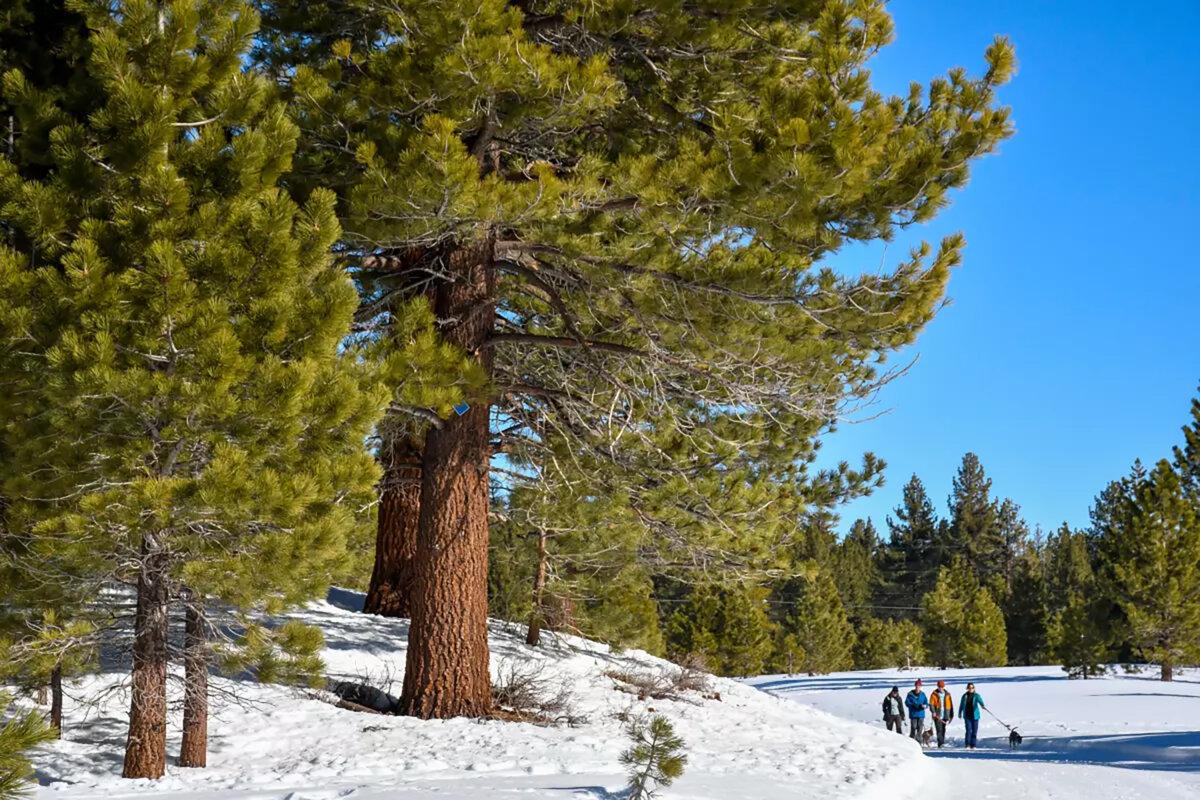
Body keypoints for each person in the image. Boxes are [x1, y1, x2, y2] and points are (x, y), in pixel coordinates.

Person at [959, 682, 986, 749]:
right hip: (967, 715)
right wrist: (960, 712)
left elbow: (980, 701)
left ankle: (973, 745)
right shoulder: (964, 696)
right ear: (967, 688)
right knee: (968, 730)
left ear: (974, 688)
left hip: (975, 716)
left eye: (972, 687)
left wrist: (982, 705)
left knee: (974, 731)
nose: (971, 689)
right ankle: (967, 744)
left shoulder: (976, 695)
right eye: (969, 688)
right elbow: (961, 705)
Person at [929, 679, 954, 748]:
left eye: (942, 686)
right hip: (937, 715)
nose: (940, 688)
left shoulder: (948, 694)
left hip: (945, 714)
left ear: (943, 686)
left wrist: (951, 714)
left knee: (943, 729)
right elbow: (931, 704)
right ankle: (940, 743)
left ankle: (942, 742)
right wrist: (933, 712)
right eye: (939, 686)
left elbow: (951, 705)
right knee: (939, 729)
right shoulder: (934, 694)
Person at [905, 679, 928, 744]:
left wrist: (924, 706)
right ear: (915, 686)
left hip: (921, 714)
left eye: (919, 686)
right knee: (913, 728)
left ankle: (919, 743)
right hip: (913, 714)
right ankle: (911, 743)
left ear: (921, 687)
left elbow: (926, 703)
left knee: (920, 729)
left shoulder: (923, 694)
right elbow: (907, 703)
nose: (918, 687)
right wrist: (913, 705)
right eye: (917, 686)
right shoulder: (910, 694)